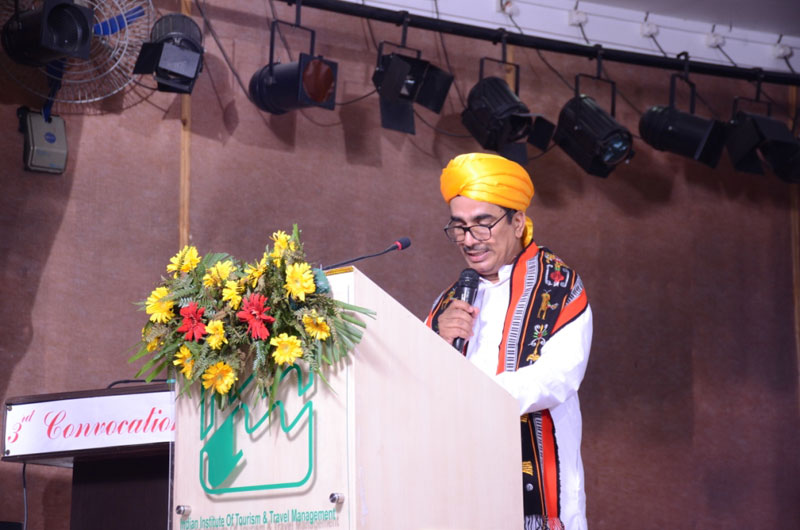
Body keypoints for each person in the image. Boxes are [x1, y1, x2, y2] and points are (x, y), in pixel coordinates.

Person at [425, 153, 593, 530]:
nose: (469, 240)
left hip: (537, 493)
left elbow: (559, 376)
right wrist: (433, 338)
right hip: (460, 485)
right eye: (459, 227)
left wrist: (477, 396)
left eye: (483, 224)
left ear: (517, 222)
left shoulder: (559, 286)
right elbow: (418, 384)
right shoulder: (449, 301)